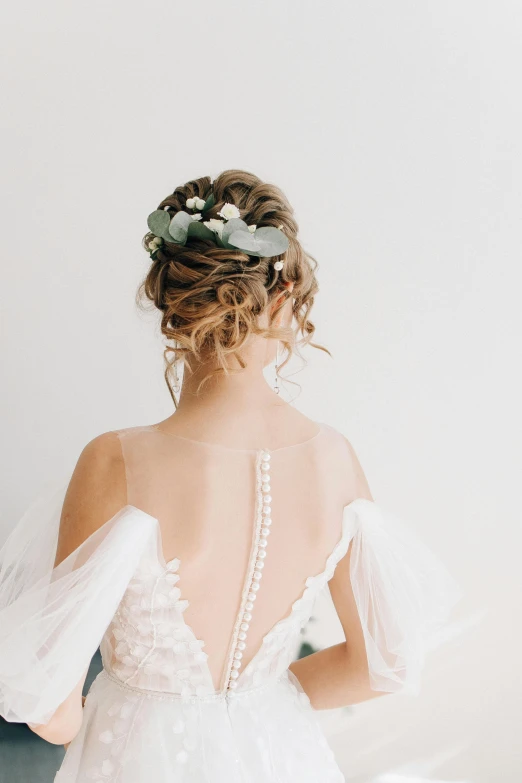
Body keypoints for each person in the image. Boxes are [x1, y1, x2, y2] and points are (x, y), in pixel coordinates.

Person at [0, 169, 461, 782]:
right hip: (279, 751)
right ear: (285, 296)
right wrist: (259, 702)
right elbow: (387, 662)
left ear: (174, 304)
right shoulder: (335, 460)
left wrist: (87, 717)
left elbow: (51, 702)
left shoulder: (115, 461)